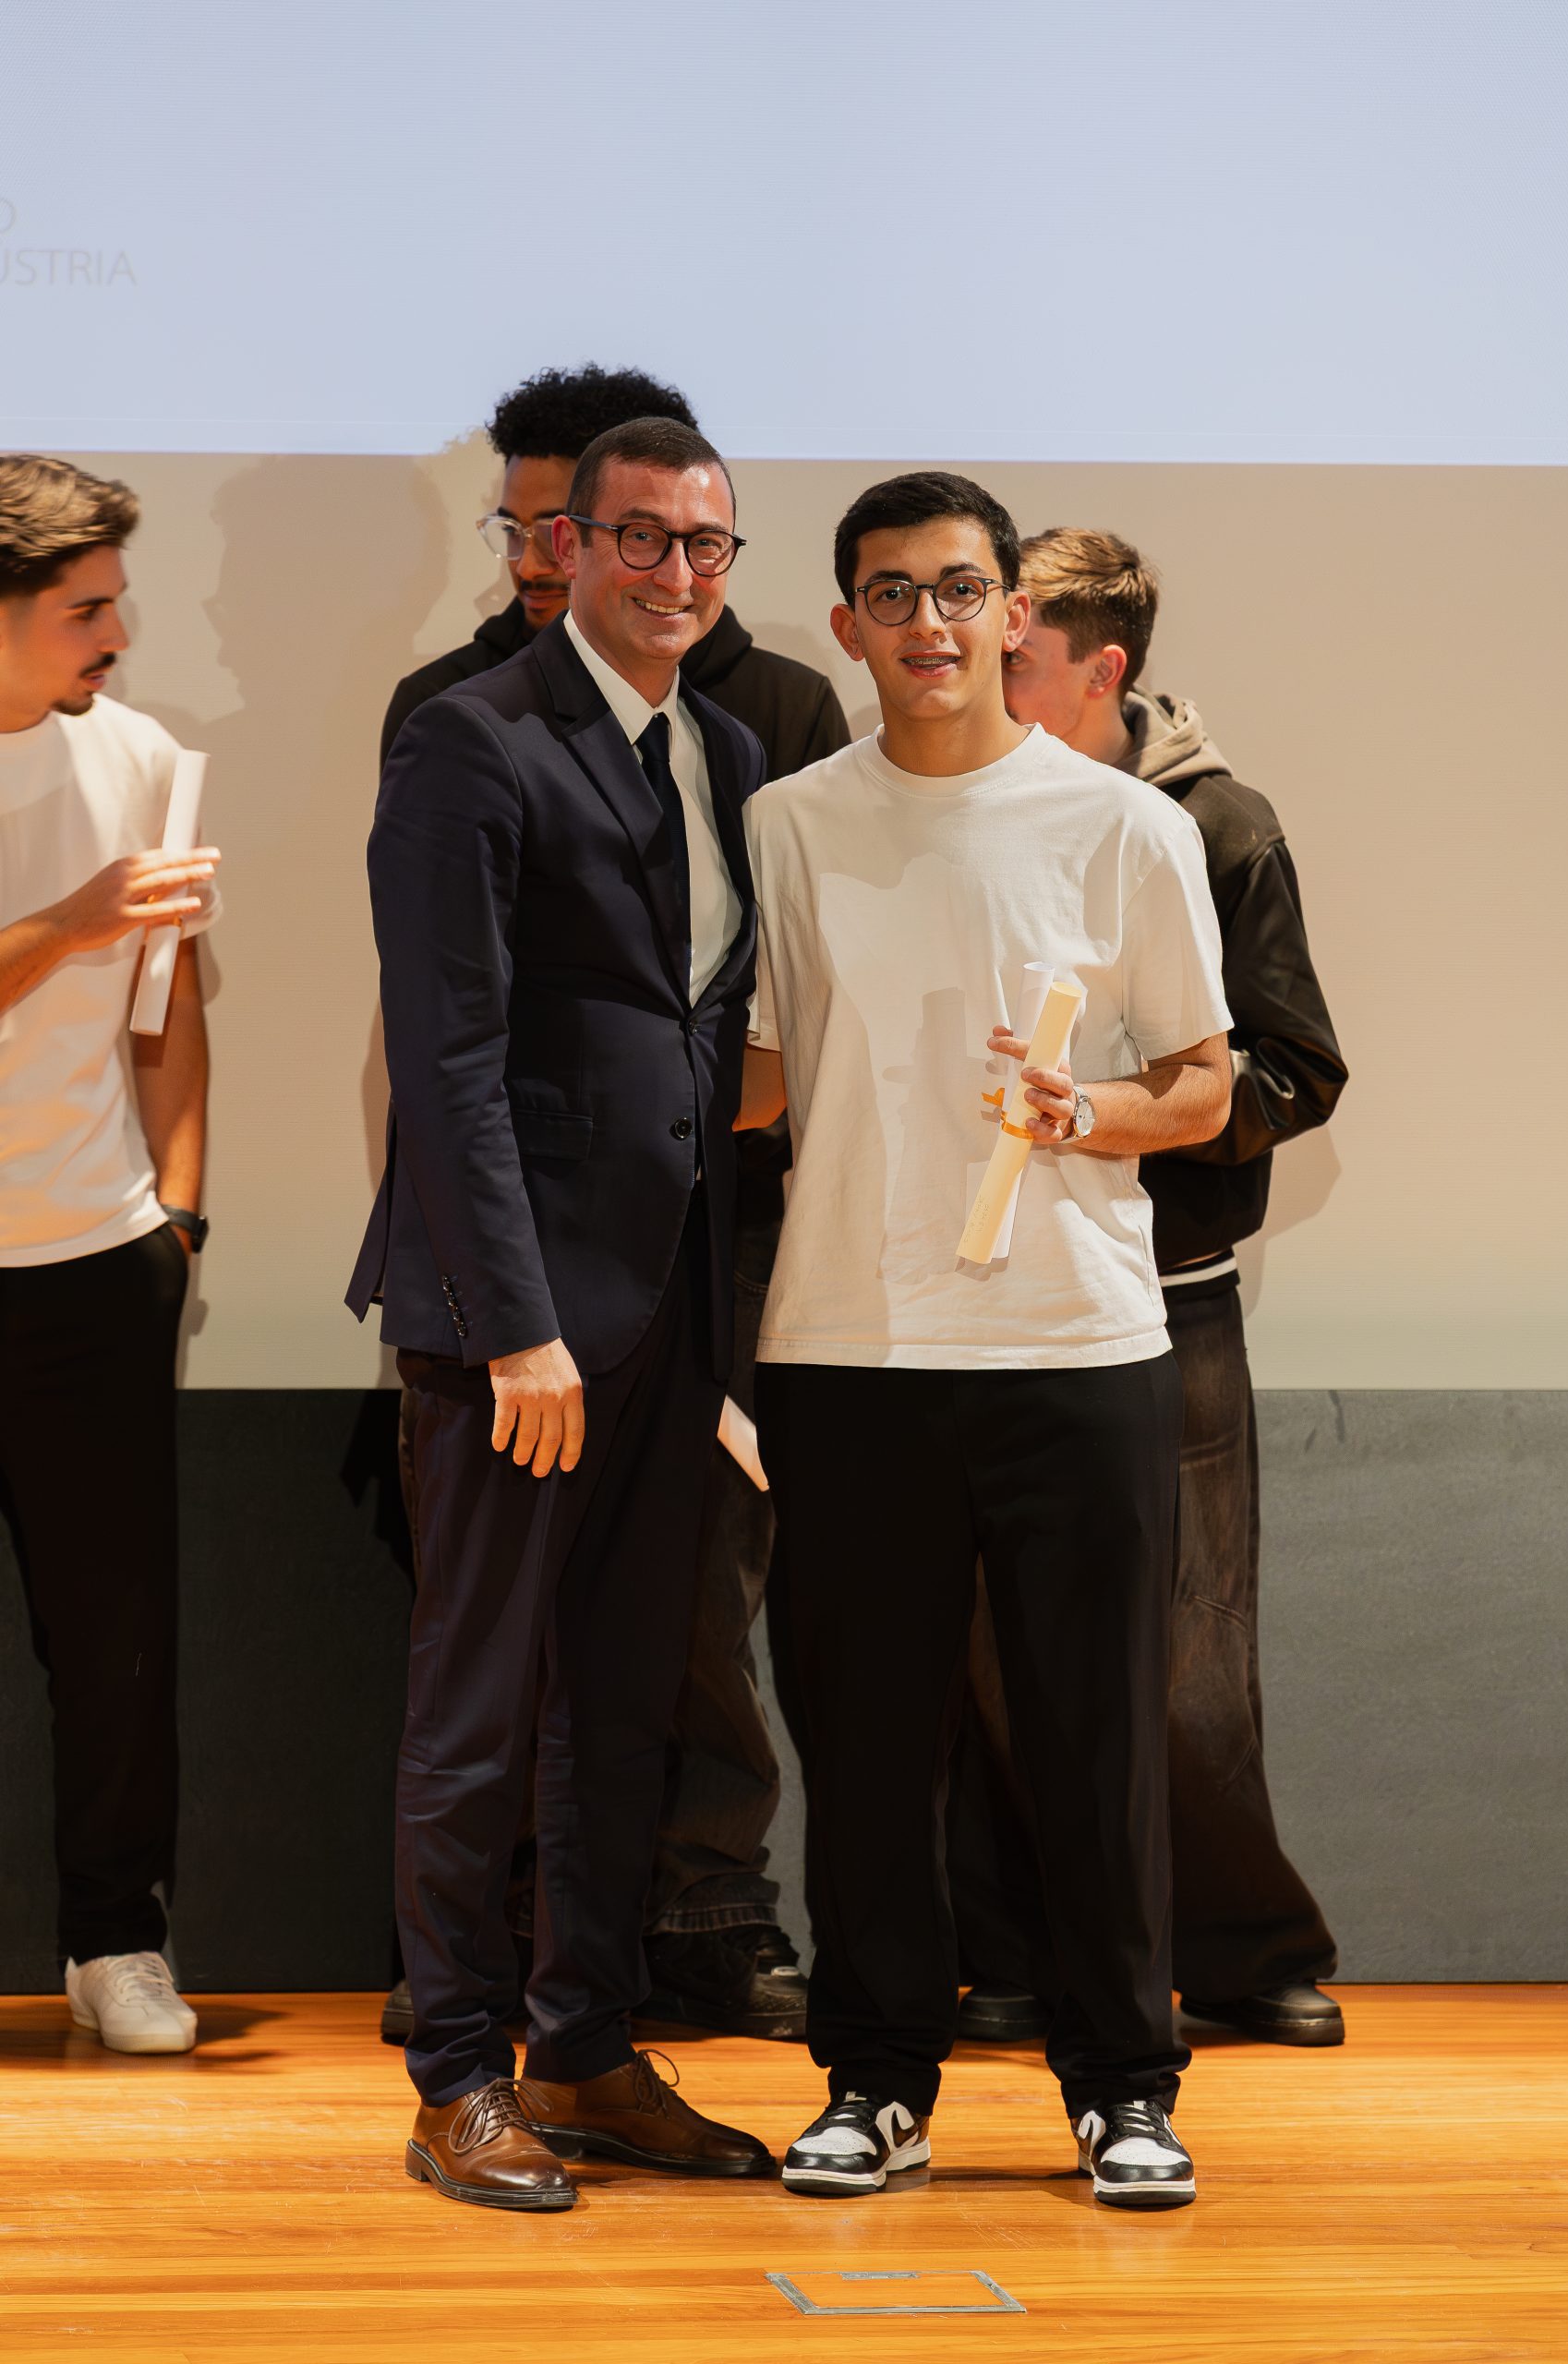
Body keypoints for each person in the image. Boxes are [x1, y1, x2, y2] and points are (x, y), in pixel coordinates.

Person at [742, 472, 1233, 2211]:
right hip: (848, 1349)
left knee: (1095, 1747)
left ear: (1016, 614)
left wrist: (1084, 1108)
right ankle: (876, 2083)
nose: (929, 624)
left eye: (960, 590)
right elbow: (764, 1075)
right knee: (868, 1749)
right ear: (848, 623)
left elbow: (1203, 1083)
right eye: (893, 594)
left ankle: (1125, 2086)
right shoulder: (789, 822)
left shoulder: (1124, 827)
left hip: (1076, 1349)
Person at [377, 363, 848, 2051]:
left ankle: (583, 2050)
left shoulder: (725, 747)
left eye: (706, 546)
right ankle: (460, 2069)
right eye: (640, 538)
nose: (676, 572)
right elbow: (447, 1063)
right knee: (482, 1711)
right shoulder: (470, 734)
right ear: (566, 545)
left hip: (676, 1318)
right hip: (525, 1328)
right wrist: (515, 1326)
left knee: (624, 1708)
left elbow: (711, 1038)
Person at [949, 527, 1347, 2048]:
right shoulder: (957, 802)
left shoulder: (1219, 825)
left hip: (1169, 1293)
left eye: (1018, 656)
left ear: (1102, 669)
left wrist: (1128, 1116)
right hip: (992, 1289)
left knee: (1189, 1649)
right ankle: (1014, 1955)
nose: (981, 671)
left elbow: (1297, 1065)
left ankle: (1242, 1952)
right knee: (991, 1649)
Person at [0, 455, 222, 2055]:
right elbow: (93, 938)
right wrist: (67, 921)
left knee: (116, 1635)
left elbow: (171, 1007)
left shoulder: (138, 757)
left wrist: (179, 1219)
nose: (117, 635)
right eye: (86, 609)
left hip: (95, 1256)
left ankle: (115, 1942)